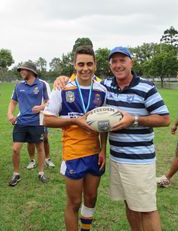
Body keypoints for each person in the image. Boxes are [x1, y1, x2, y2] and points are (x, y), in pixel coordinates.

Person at [54, 46, 170, 231]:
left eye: (122, 60)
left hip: (139, 160)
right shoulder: (106, 86)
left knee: (147, 209)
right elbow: (85, 78)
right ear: (109, 65)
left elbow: (165, 119)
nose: (118, 65)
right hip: (117, 158)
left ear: (131, 62)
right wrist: (64, 78)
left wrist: (135, 120)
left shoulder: (146, 87)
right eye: (114, 61)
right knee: (130, 206)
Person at [44, 45, 107, 231]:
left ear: (95, 65)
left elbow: (105, 123)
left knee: (91, 198)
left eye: (89, 64)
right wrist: (76, 122)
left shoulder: (102, 90)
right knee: (74, 202)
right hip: (73, 153)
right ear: (74, 65)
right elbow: (47, 119)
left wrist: (104, 149)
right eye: (81, 64)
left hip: (95, 153)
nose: (85, 68)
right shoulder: (62, 88)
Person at [7, 61, 48, 186]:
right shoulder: (19, 86)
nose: (20, 72)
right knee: (15, 149)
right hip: (21, 122)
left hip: (36, 122)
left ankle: (41, 173)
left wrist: (41, 107)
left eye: (23, 70)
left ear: (31, 71)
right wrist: (10, 114)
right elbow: (13, 102)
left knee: (40, 148)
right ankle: (16, 174)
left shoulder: (41, 85)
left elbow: (48, 101)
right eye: (19, 70)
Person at [26, 79, 55, 170]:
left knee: (44, 138)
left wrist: (41, 107)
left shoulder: (44, 83)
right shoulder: (22, 84)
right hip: (28, 116)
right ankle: (32, 160)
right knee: (30, 140)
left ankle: (47, 158)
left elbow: (49, 100)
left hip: (41, 115)